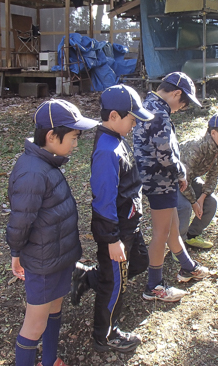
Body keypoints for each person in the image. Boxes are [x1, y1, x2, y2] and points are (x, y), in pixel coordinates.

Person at [6, 99, 97, 366]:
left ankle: (49, 360)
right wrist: (16, 253)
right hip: (44, 263)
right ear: (51, 136)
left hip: (59, 257)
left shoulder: (47, 164)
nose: (76, 144)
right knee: (35, 324)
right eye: (73, 137)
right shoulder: (32, 172)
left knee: (55, 308)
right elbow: (20, 221)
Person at [70, 85, 153, 353]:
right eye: (132, 119)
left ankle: (89, 278)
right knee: (114, 284)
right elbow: (104, 202)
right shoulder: (107, 151)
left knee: (139, 261)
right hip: (116, 232)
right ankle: (105, 334)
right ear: (114, 116)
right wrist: (112, 239)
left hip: (130, 225)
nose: (134, 124)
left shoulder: (116, 138)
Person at [133, 71, 210, 302]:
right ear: (176, 93)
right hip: (160, 179)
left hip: (154, 178)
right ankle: (154, 286)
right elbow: (165, 154)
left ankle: (188, 267)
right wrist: (180, 173)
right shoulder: (159, 113)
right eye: (183, 103)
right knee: (162, 233)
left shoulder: (149, 104)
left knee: (173, 227)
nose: (181, 108)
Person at [176, 112, 218, 249]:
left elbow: (213, 175)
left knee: (211, 202)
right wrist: (194, 202)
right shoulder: (196, 148)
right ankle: (177, 245)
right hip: (173, 180)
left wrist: (202, 197)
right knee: (185, 206)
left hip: (189, 180)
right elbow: (184, 179)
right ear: (214, 133)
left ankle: (191, 236)